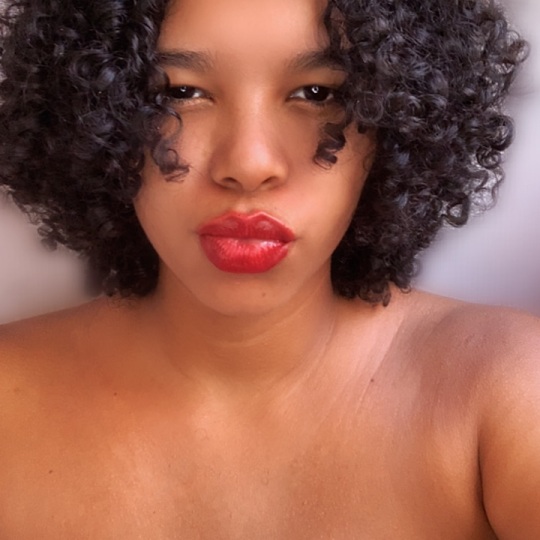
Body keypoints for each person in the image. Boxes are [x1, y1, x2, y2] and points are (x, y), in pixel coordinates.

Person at [0, 0, 538, 537]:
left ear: (394, 121)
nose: (249, 164)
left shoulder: (505, 391)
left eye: (317, 93)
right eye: (181, 92)